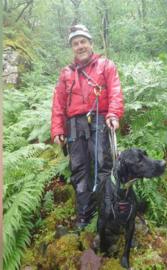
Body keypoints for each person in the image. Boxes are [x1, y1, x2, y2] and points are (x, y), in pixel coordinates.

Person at [51, 24, 124, 229]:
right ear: (72, 48)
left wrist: (114, 114)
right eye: (75, 43)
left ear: (91, 43)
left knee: (102, 165)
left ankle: (107, 210)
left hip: (99, 119)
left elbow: (116, 91)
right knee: (79, 169)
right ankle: (85, 214)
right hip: (74, 124)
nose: (80, 46)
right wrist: (57, 129)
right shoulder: (66, 73)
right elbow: (58, 103)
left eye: (83, 41)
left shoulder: (106, 65)